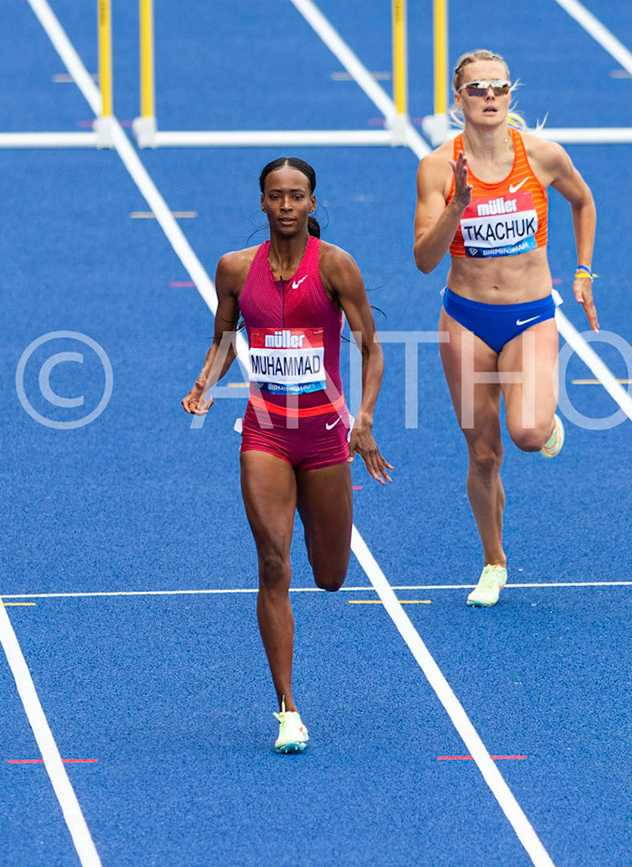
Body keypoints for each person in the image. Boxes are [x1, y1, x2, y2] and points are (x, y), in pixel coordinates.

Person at [183, 157, 392, 754]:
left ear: (312, 203)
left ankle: (293, 683)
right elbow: (224, 339)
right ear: (262, 204)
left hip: (325, 436)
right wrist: (204, 382)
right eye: (275, 197)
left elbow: (371, 351)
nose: (286, 206)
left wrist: (366, 420)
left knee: (329, 577)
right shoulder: (233, 269)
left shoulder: (336, 267)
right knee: (273, 562)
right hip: (265, 434)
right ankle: (287, 708)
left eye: (297, 196)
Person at [413, 50, 599, 608]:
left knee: (525, 435)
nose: (489, 97)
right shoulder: (437, 168)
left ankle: (543, 421)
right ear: (459, 100)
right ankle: (494, 561)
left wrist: (584, 271)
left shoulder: (542, 156)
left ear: (510, 95)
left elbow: (583, 201)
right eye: (477, 89)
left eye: (498, 87)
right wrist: (456, 208)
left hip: (531, 313)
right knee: (485, 452)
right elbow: (424, 259)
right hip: (466, 317)